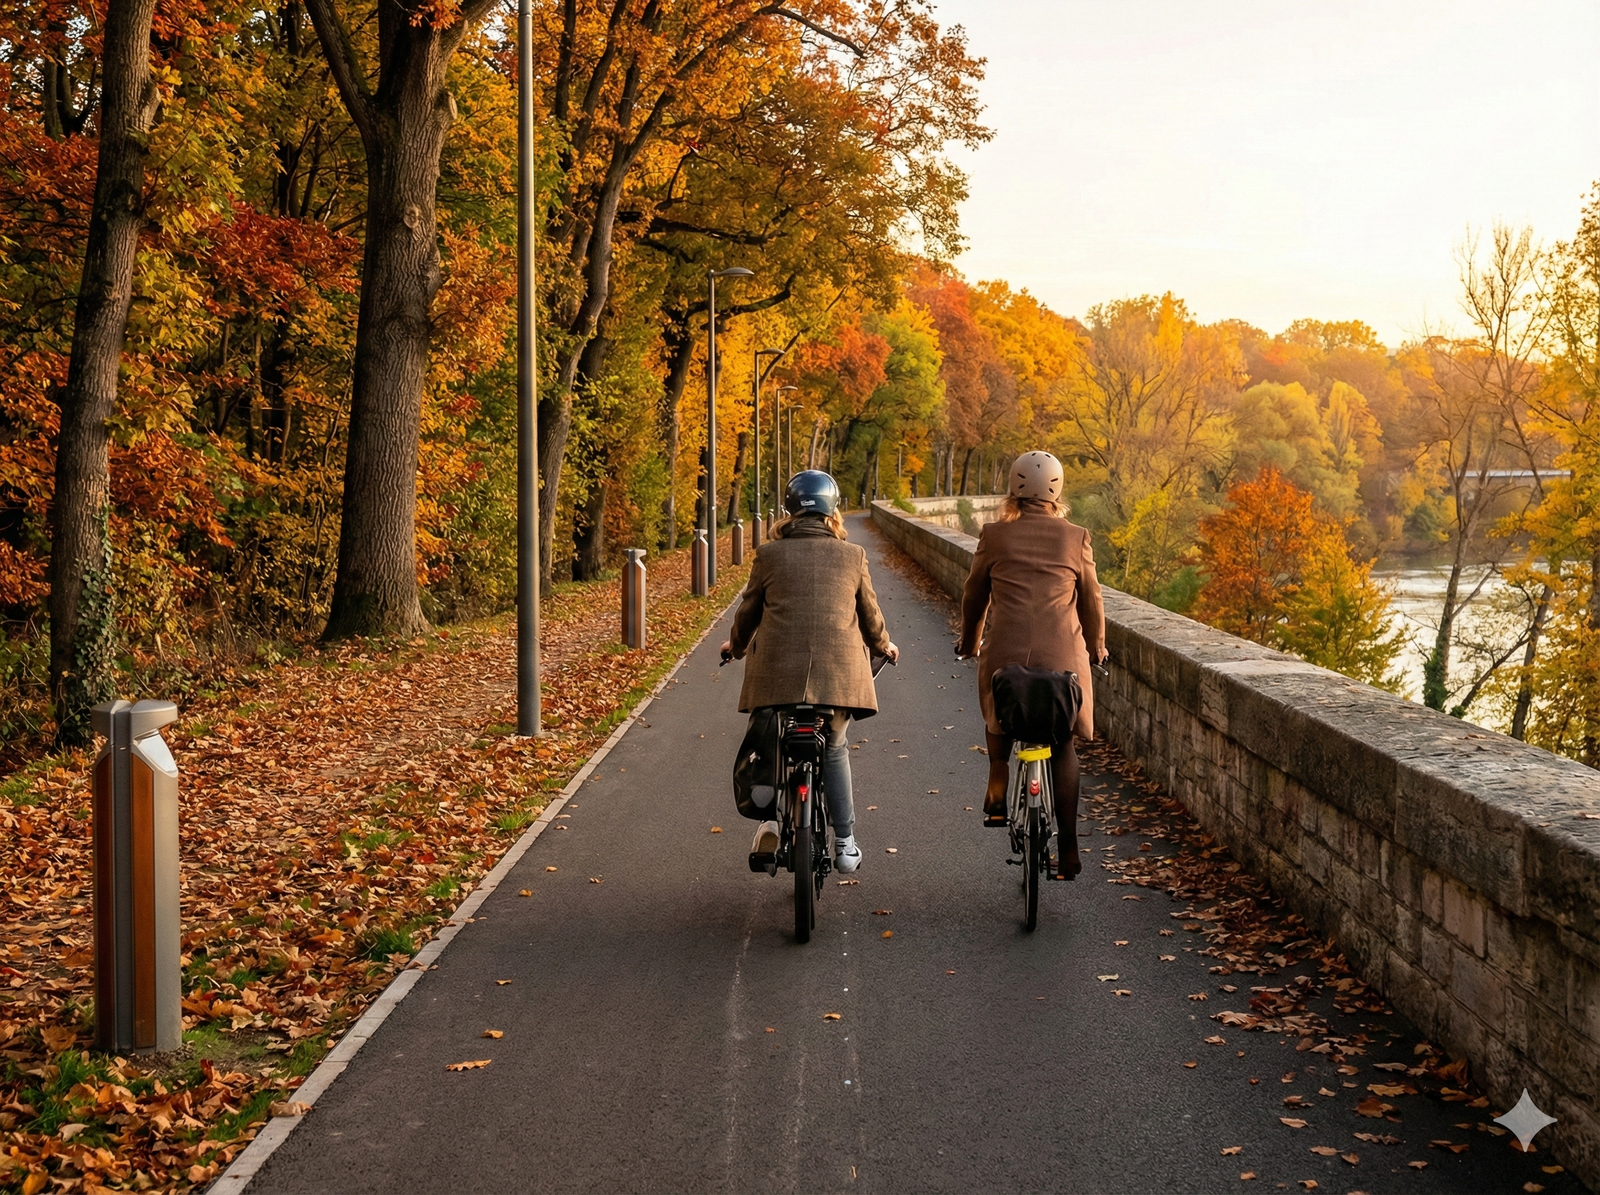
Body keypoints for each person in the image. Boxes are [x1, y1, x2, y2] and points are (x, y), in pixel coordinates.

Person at [721, 470, 898, 874]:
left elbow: (748, 613)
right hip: (837, 677)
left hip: (776, 677)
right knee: (834, 747)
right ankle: (845, 843)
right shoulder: (852, 556)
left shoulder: (769, 555)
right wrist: (883, 646)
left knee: (772, 741)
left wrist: (736, 647)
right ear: (832, 511)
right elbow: (870, 617)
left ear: (789, 509)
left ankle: (769, 823)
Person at [956, 450, 1107, 880]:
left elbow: (974, 596)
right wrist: (1096, 647)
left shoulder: (994, 535)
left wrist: (969, 642)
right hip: (1064, 660)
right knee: (1063, 744)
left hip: (1007, 654)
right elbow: (1092, 601)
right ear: (1057, 492)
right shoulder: (1076, 537)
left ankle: (998, 777)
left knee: (997, 705)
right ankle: (1070, 848)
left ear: (1014, 490)